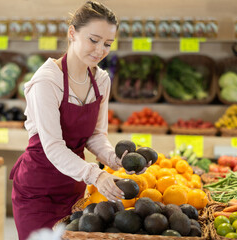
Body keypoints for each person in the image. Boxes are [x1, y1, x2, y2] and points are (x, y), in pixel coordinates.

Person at [9, 1, 149, 239]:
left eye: (107, 44)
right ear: (72, 33)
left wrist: (114, 159)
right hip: (38, 190)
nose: (100, 50)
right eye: (93, 40)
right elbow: (53, 146)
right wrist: (97, 175)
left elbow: (95, 135)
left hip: (74, 187)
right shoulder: (47, 81)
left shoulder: (101, 80)